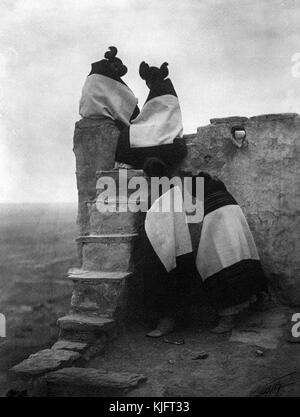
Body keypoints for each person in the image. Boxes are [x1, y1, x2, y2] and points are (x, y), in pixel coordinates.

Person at [143, 159, 268, 336]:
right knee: (241, 253)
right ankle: (254, 298)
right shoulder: (206, 181)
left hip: (217, 216)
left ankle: (228, 317)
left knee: (216, 264)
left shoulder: (171, 188)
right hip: (230, 211)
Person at [115, 61, 187, 169]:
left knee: (126, 134)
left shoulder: (155, 94)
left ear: (149, 82)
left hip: (158, 144)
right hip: (174, 145)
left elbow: (145, 118)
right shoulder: (171, 94)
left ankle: (123, 164)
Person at [79, 46, 139, 130]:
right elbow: (128, 98)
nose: (116, 70)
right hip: (100, 116)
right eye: (115, 66)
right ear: (110, 63)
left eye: (118, 71)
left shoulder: (96, 77)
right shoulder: (103, 79)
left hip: (88, 113)